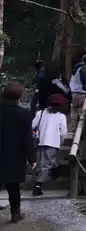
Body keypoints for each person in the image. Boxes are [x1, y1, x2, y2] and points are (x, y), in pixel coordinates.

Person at [0, 82, 36, 223]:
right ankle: (15, 213)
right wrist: (32, 157)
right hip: (14, 155)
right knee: (13, 186)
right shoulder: (23, 114)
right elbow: (28, 138)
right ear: (19, 97)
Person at [32, 94, 68, 196]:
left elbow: (32, 125)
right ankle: (38, 185)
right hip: (53, 143)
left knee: (41, 163)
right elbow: (63, 132)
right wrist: (60, 141)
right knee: (47, 164)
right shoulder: (61, 116)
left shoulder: (40, 113)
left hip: (40, 142)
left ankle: (48, 176)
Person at [69, 55, 86, 130]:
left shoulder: (76, 68)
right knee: (81, 112)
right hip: (81, 93)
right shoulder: (83, 69)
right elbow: (85, 81)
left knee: (74, 110)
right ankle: (80, 130)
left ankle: (73, 128)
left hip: (73, 92)